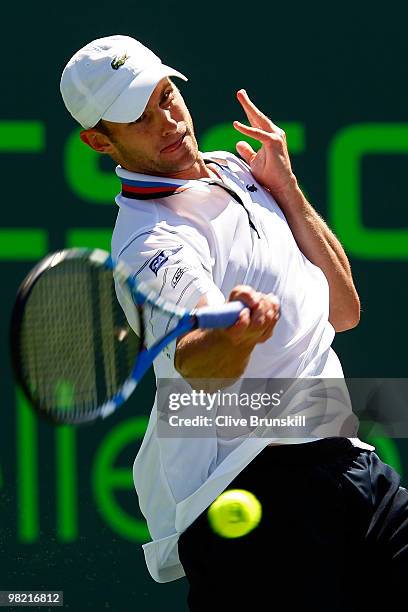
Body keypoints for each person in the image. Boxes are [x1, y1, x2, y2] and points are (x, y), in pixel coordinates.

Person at [60, 35, 408, 611]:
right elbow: (202, 368)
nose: (168, 121)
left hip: (350, 463)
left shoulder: (233, 168)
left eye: (166, 96)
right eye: (139, 118)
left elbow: (344, 311)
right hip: (253, 498)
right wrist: (239, 335)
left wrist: (287, 190)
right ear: (99, 140)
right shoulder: (151, 242)